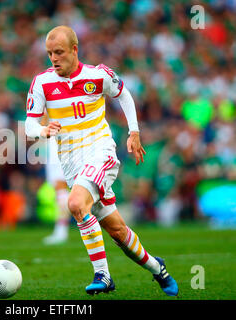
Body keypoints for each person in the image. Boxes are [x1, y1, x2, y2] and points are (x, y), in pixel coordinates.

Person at [25, 26, 178, 296]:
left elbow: (124, 94)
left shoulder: (98, 75)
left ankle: (103, 276)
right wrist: (43, 130)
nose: (53, 58)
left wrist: (134, 132)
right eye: (49, 53)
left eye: (59, 52)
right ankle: (158, 268)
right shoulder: (41, 83)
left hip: (100, 152)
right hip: (72, 163)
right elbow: (29, 125)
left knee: (74, 203)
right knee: (117, 231)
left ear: (75, 49)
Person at [42, 134, 71, 245]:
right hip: (65, 137)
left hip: (60, 138)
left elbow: (43, 119)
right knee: (61, 187)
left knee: (60, 186)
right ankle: (61, 230)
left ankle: (61, 230)